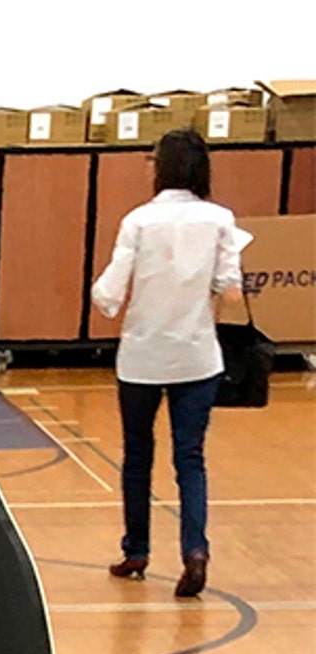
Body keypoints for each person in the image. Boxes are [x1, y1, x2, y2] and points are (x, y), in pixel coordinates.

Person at [91, 129, 247, 599]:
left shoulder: (138, 221)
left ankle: (136, 550)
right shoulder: (221, 220)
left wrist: (107, 298)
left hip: (142, 356)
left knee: (137, 456)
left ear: (161, 167)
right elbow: (231, 288)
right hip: (198, 356)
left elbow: (108, 295)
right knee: (190, 458)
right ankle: (194, 551)